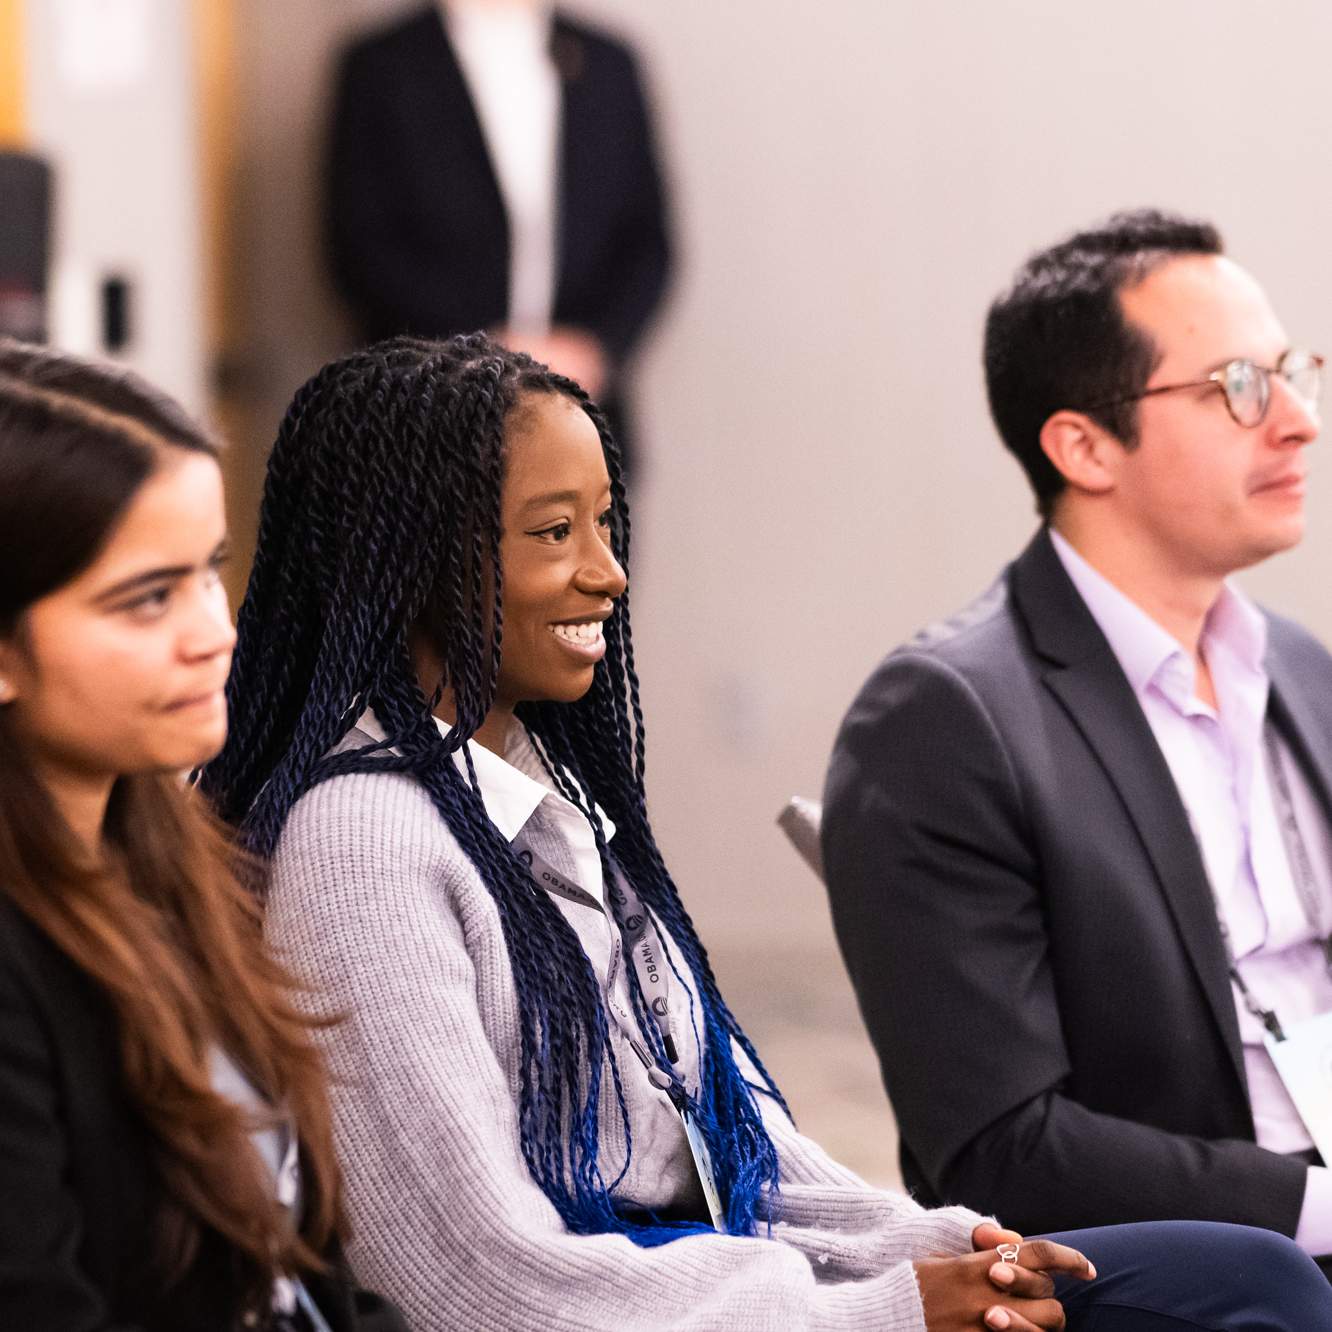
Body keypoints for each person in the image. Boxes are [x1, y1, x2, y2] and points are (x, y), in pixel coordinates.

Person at [202, 331, 1332, 1332]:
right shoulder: (363, 845)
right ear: (411, 564)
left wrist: (943, 1250)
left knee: (1246, 1276)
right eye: (556, 533)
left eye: (606, 523)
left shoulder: (541, 785)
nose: (610, 573)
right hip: (642, 1310)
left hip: (735, 1287)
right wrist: (884, 1315)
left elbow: (738, 1145)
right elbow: (474, 1282)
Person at [822, 209, 1332, 1260]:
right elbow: (1003, 1149)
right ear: (1085, 446)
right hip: (1229, 1265)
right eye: (1239, 386)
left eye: (1292, 373)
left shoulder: (1302, 669)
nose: (1296, 421)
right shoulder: (946, 720)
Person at [0, 342, 405, 1331]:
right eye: (149, 598)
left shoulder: (167, 851)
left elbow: (298, 1267)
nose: (214, 631)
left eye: (208, 573)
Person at [327, 0, 671, 478]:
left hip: (581, 422)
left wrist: (592, 347)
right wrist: (484, 352)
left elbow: (646, 244)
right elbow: (363, 250)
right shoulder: (383, 67)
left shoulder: (608, 63)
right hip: (428, 428)